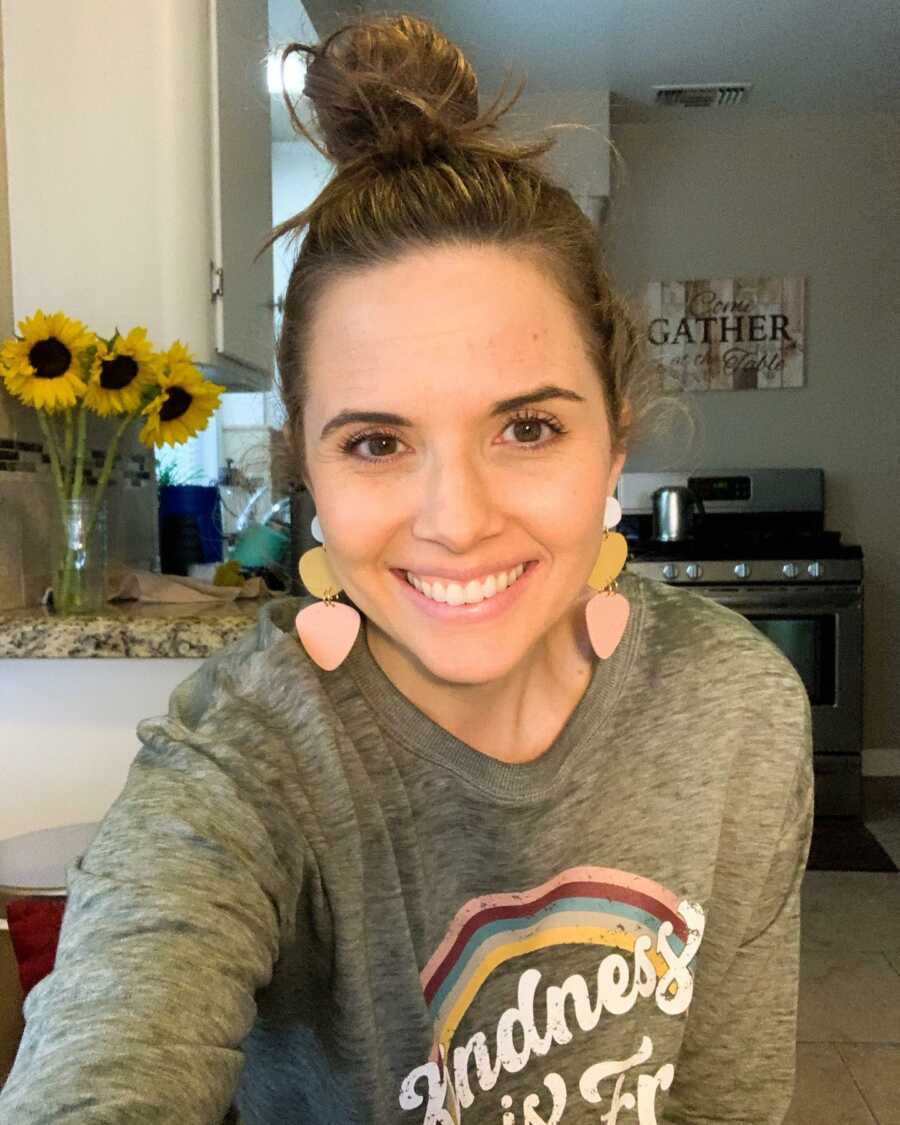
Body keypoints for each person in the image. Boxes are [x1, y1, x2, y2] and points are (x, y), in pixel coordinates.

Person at [0, 11, 814, 1124]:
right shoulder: (250, 756)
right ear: (310, 473)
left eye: (526, 428)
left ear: (615, 441)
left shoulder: (735, 712)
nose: (457, 520)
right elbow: (112, 1037)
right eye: (378, 443)